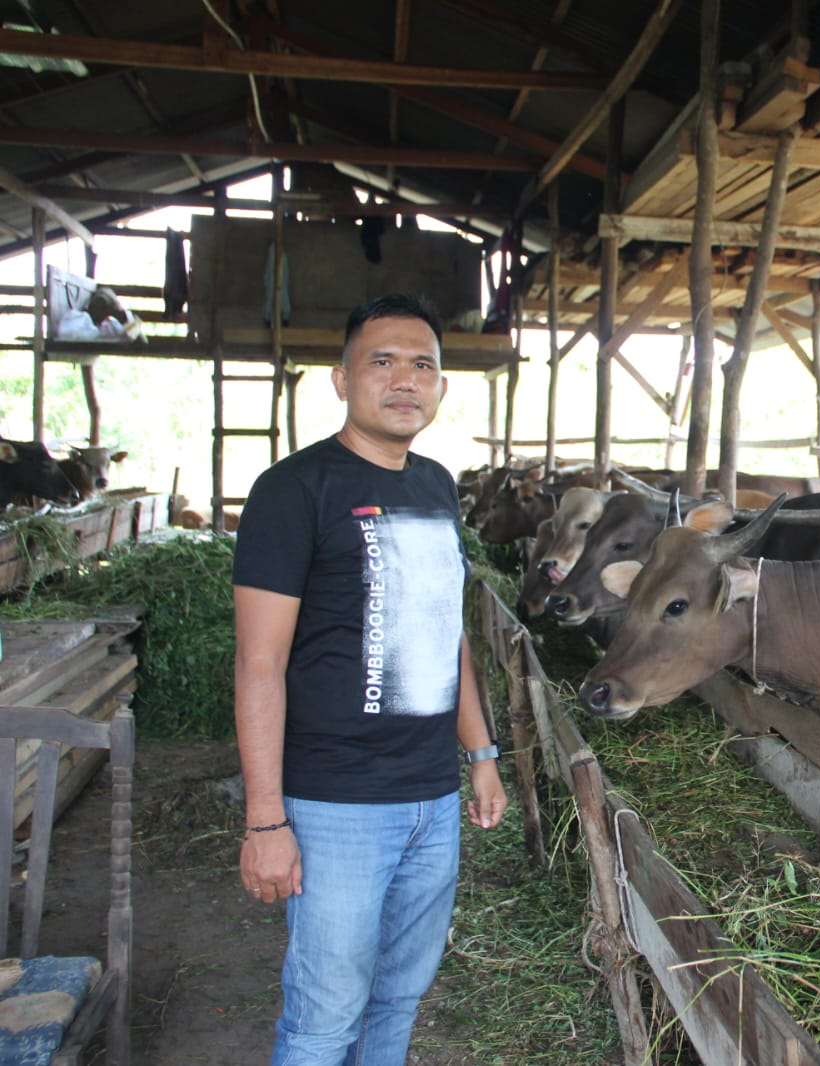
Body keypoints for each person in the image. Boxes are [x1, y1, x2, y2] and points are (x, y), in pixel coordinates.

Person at [232, 292, 508, 1064]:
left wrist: (480, 755)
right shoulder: (294, 489)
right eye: (381, 362)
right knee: (325, 1013)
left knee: (396, 999)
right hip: (334, 804)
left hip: (432, 797)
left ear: (443, 387)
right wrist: (264, 822)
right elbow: (259, 663)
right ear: (341, 378)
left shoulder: (436, 486)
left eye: (423, 365)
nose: (404, 380)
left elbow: (441, 627)